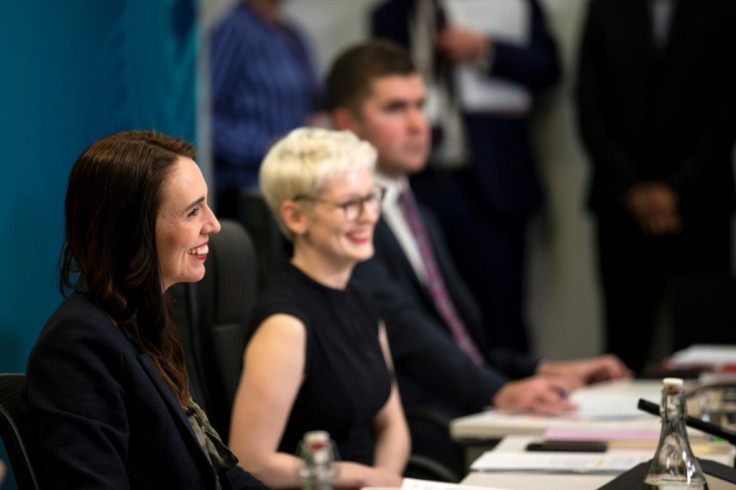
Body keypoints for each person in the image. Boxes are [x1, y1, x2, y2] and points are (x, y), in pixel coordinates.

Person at [326, 40, 629, 472]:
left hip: (467, 407)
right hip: (419, 428)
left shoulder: (419, 213)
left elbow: (464, 341)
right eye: (395, 108)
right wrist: (497, 391)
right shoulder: (345, 220)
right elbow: (408, 335)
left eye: (420, 104)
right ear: (347, 124)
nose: (418, 123)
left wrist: (545, 369)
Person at [22, 130, 268, 490]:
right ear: (132, 230)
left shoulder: (145, 319)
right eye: (193, 211)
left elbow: (219, 471)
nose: (213, 224)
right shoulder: (78, 346)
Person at [371, 0, 561, 353]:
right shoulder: (391, 14)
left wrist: (486, 50)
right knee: (430, 314)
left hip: (489, 182)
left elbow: (548, 66)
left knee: (500, 315)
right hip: (421, 183)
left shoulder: (510, 6)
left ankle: (517, 394)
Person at [228, 128, 409, 488]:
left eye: (372, 197)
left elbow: (394, 427)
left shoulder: (362, 300)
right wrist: (363, 477)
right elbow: (251, 461)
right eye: (348, 204)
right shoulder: (286, 324)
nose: (369, 215)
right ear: (296, 217)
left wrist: (386, 481)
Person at [575, 0, 736, 372]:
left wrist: (675, 190)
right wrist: (633, 190)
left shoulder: (720, 9)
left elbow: (727, 111)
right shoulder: (605, 8)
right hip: (621, 208)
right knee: (623, 346)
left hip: (701, 207)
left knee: (706, 347)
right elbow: (589, 105)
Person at [210, 0, 322, 218]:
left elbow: (312, 100)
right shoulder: (233, 32)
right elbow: (207, 121)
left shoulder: (292, 34)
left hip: (294, 185)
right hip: (250, 193)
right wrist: (265, 147)